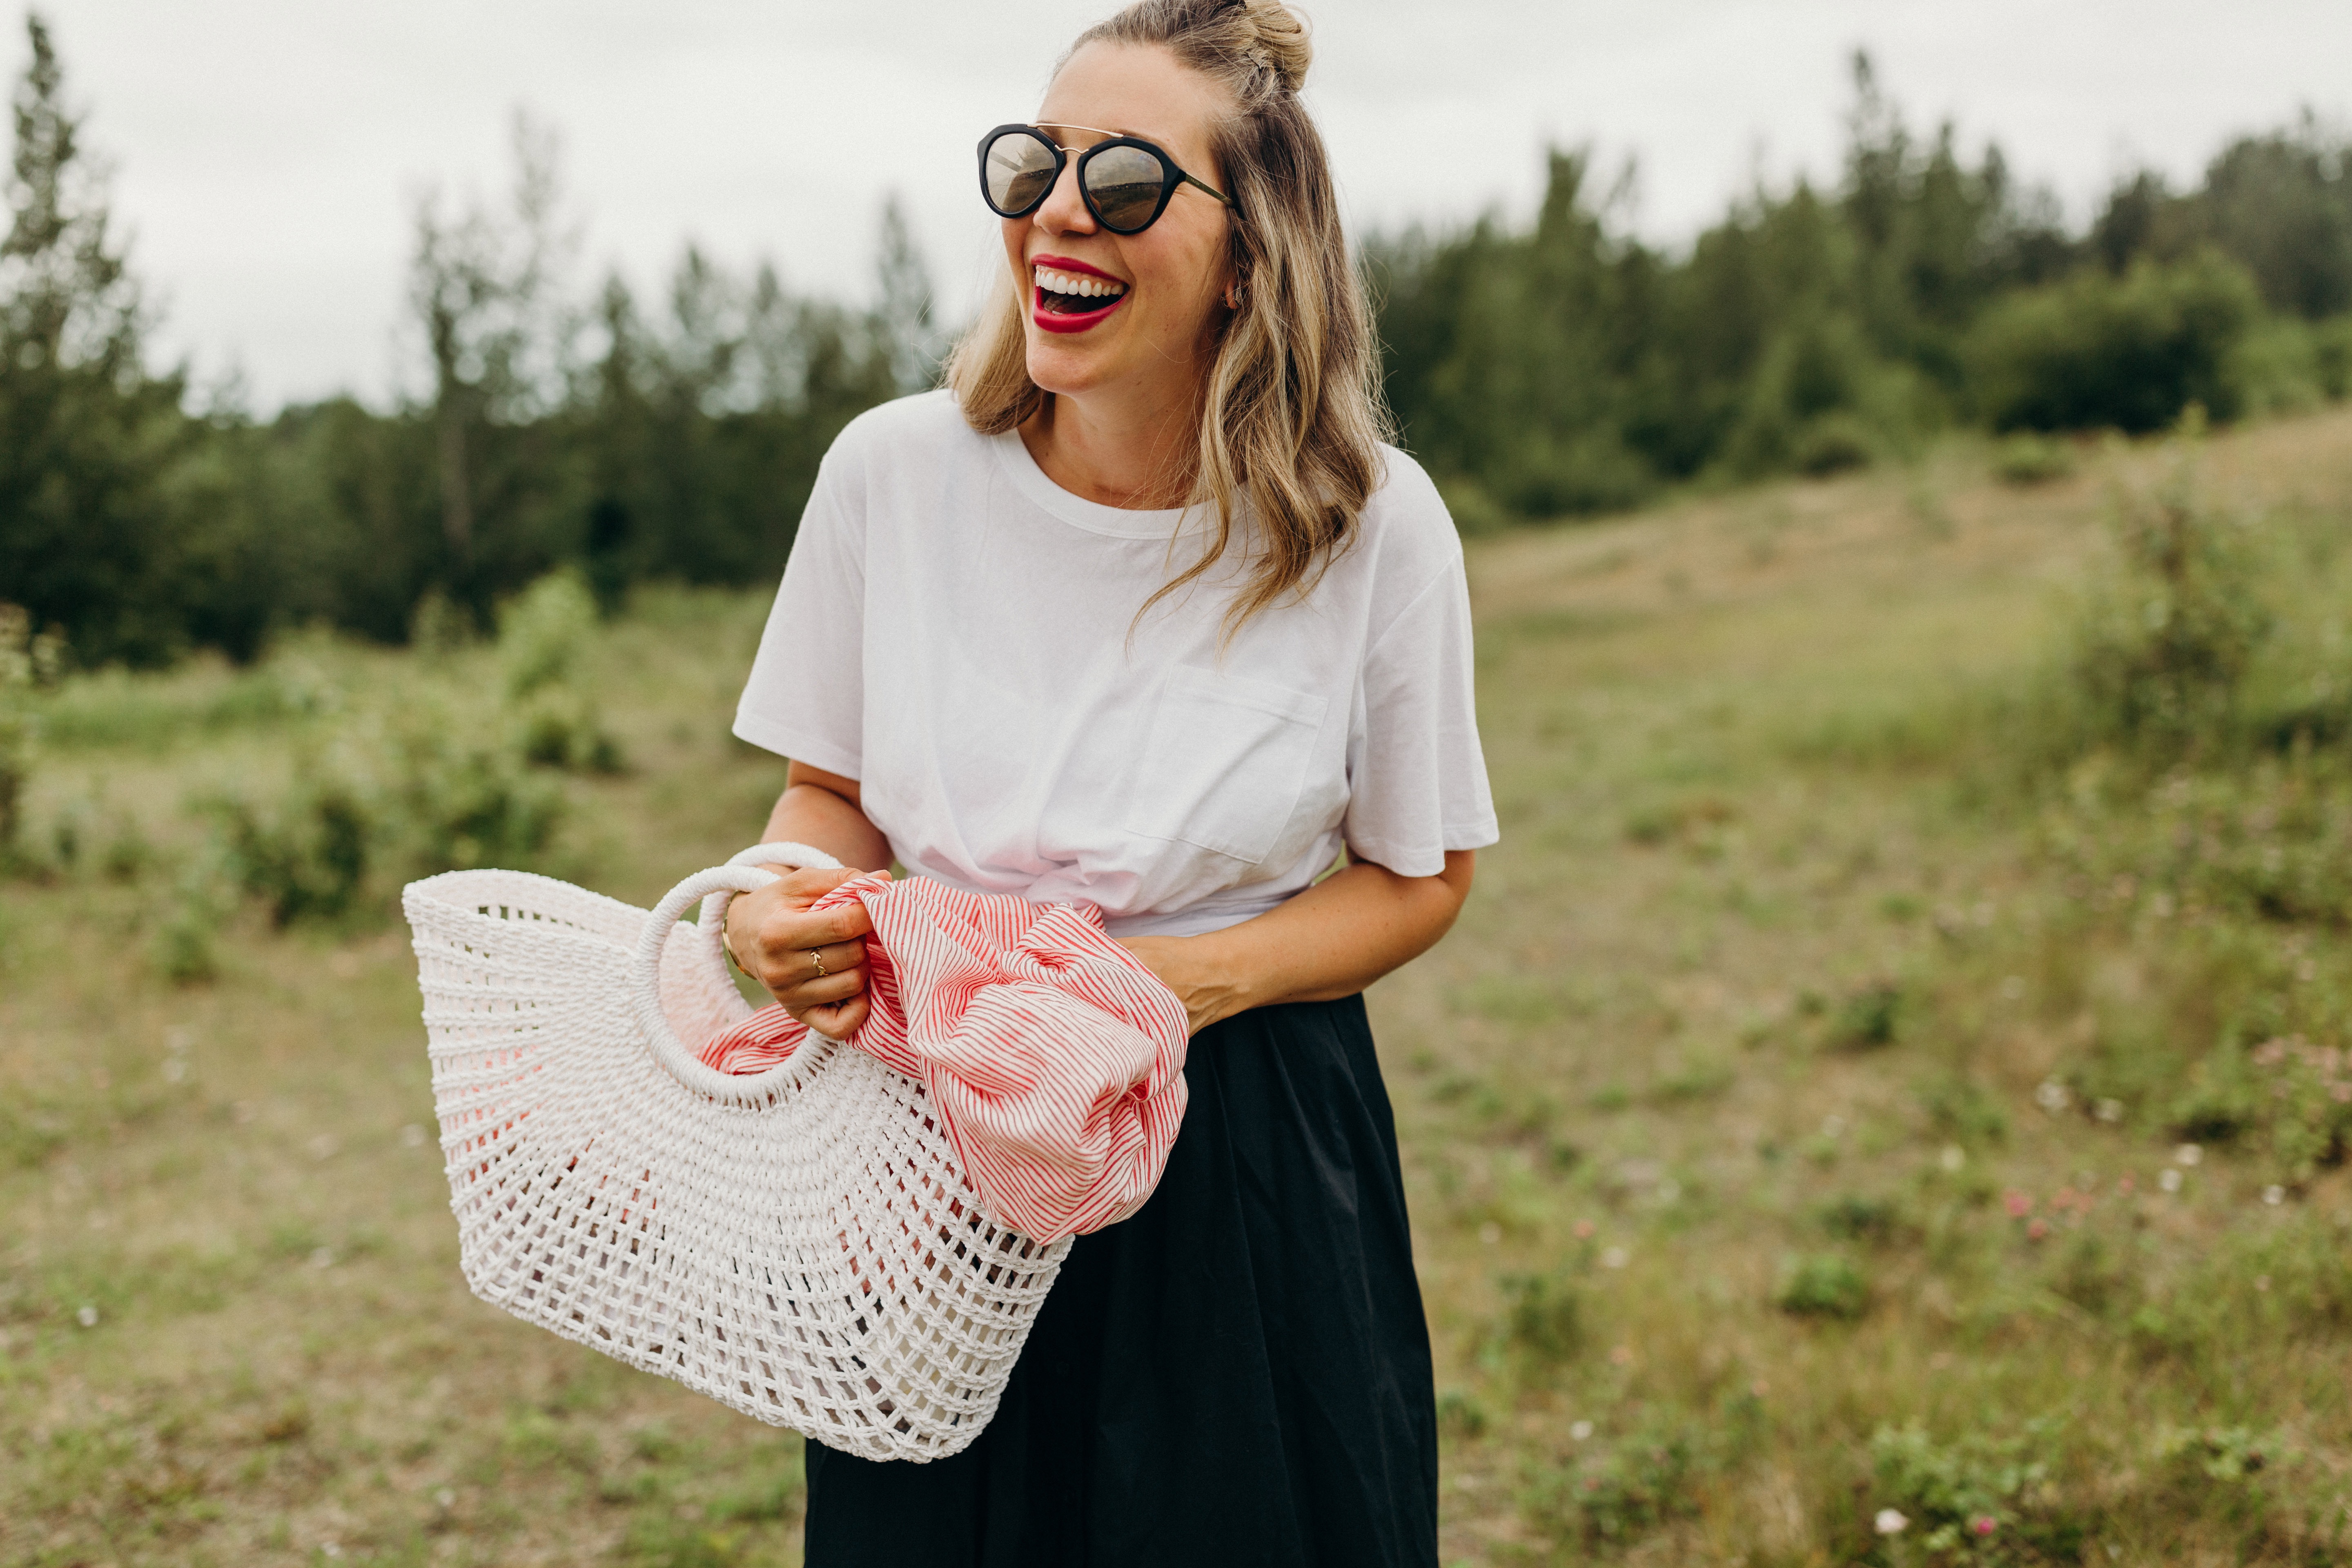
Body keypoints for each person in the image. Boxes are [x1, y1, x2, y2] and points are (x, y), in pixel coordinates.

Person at [722, 1, 1495, 1561]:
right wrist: (776, 903)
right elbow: (827, 792)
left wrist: (1171, 988)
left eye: (1130, 180)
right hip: (932, 1141)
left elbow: (1421, 877)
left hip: (1241, 1158)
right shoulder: (892, 473)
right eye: (1036, 165)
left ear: (1252, 255)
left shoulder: (1370, 524)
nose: (1060, 211)